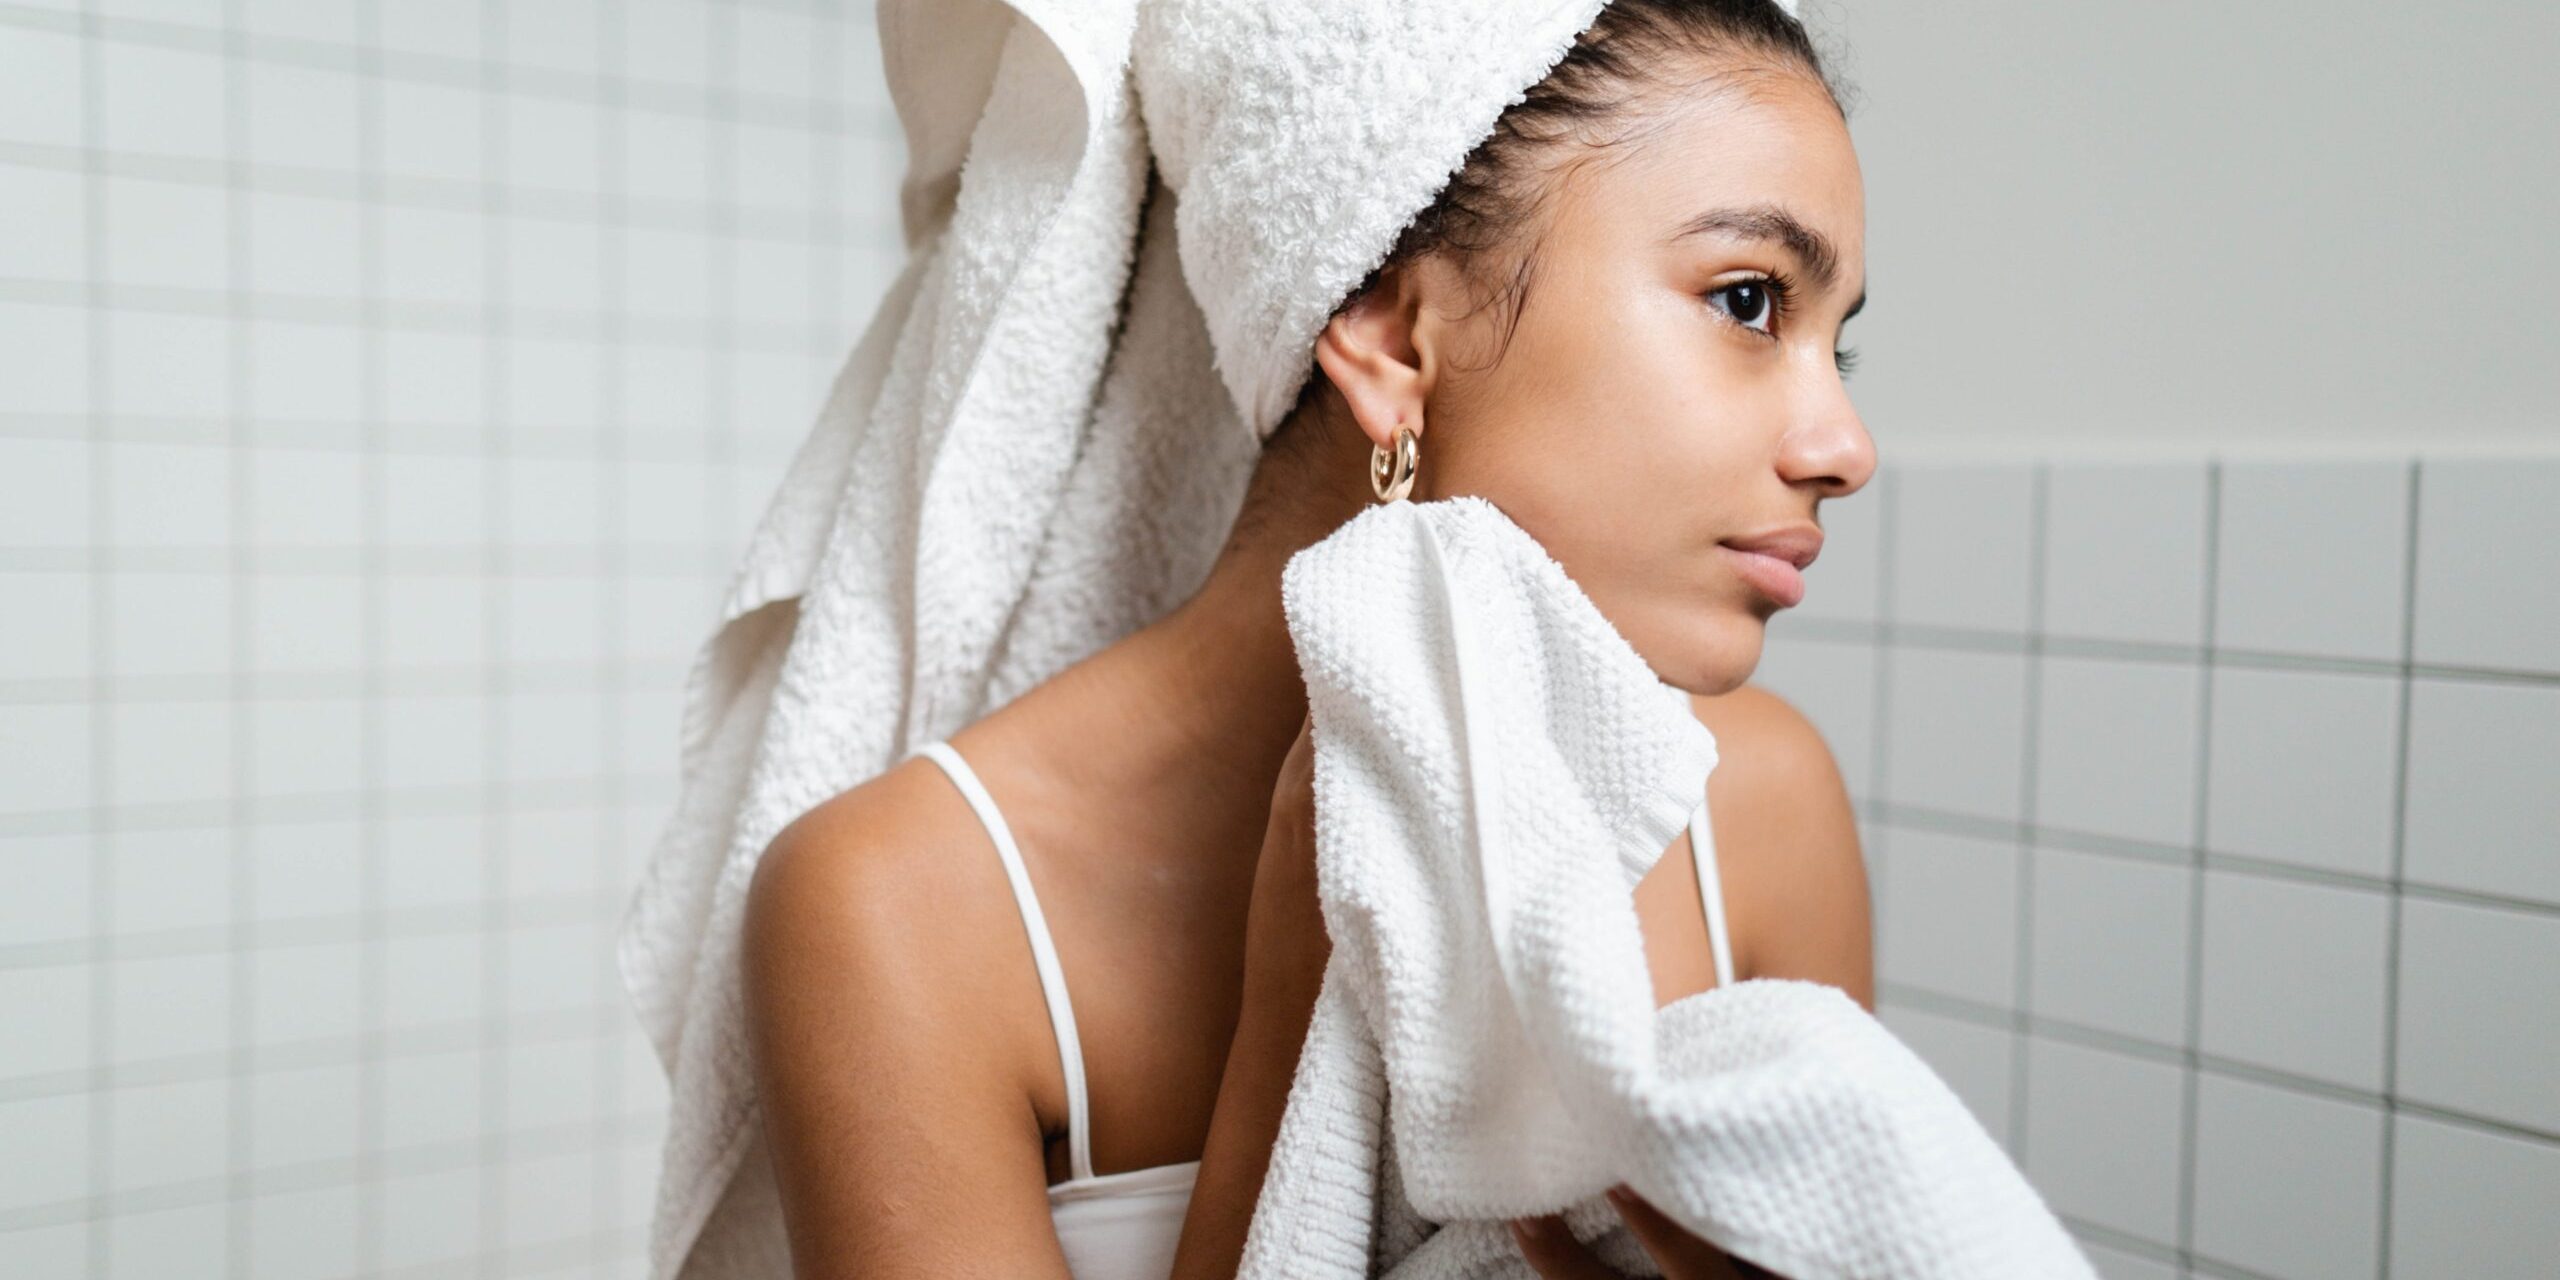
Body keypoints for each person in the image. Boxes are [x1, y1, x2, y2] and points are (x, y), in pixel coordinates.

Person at [739, 0, 1876, 1275]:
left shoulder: (1767, 806)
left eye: (1842, 342)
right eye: (1746, 299)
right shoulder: (901, 906)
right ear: (1394, 338)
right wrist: (1295, 1017)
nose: (1844, 448)